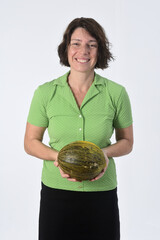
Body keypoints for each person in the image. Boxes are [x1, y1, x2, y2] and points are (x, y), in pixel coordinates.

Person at [24, 17, 133, 240]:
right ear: (66, 48)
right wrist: (60, 158)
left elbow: (127, 142)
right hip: (56, 194)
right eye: (76, 43)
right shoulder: (45, 93)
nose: (83, 51)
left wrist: (104, 153)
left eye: (91, 44)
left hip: (102, 194)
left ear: (99, 51)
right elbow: (30, 142)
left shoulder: (116, 93)